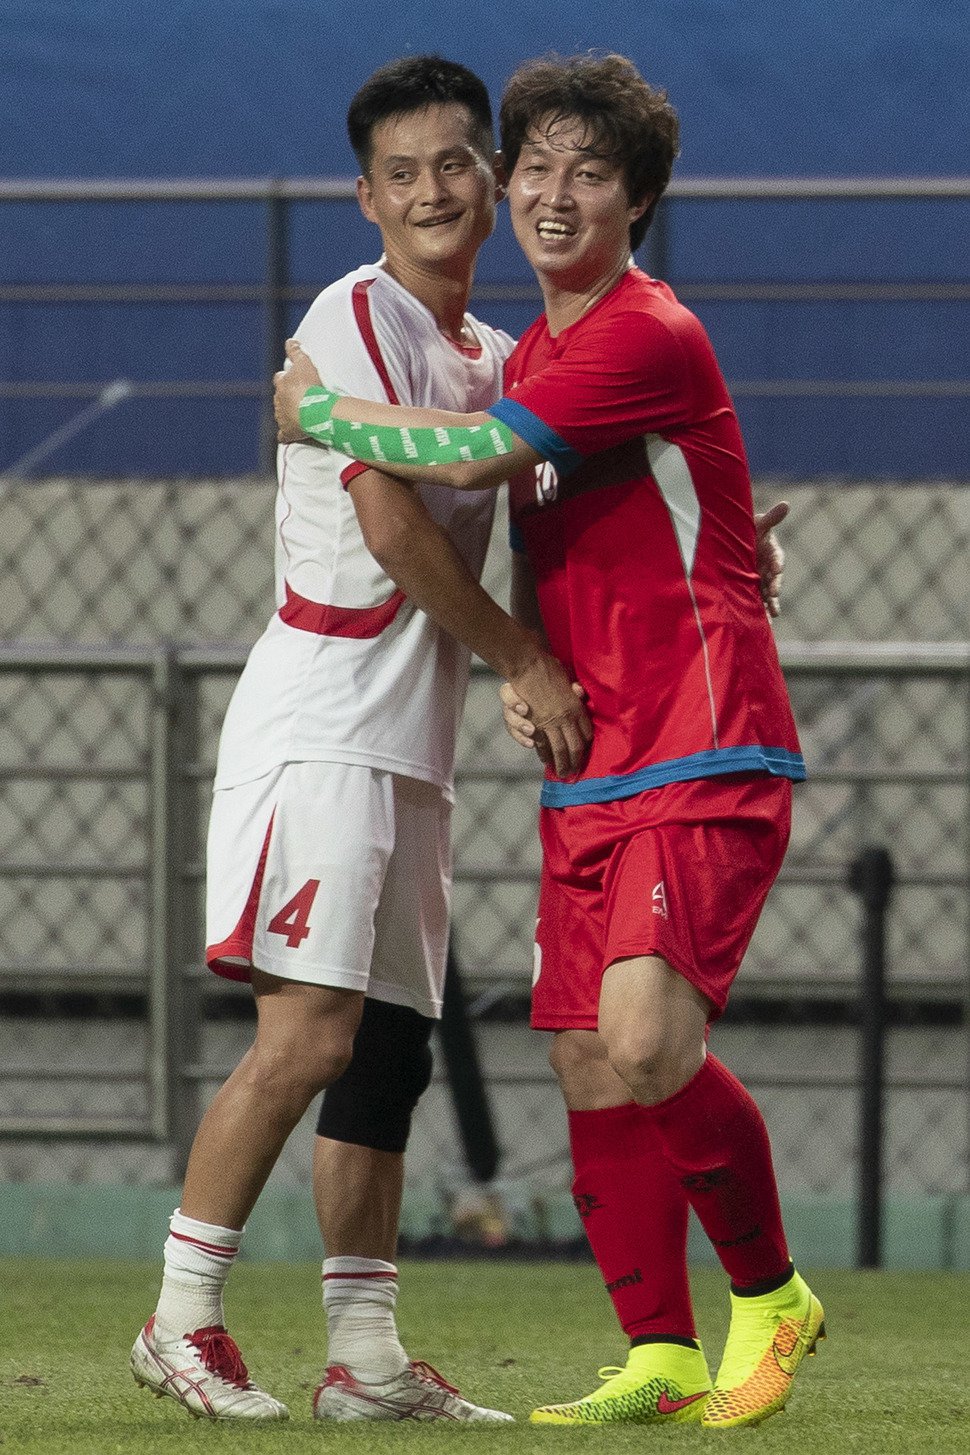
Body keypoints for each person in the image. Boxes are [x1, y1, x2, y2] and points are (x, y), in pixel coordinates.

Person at [273, 51, 822, 1433]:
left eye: (589, 171)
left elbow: (458, 461)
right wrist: (527, 665)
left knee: (641, 1037)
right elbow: (551, 520)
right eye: (533, 168)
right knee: (579, 1051)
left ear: (638, 197)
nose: (551, 194)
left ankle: (772, 1296)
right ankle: (660, 1350)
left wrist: (316, 410)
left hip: (699, 741)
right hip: (594, 749)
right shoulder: (539, 349)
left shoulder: (641, 331)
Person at [129, 54, 595, 1425]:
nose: (435, 189)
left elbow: (572, 483)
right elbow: (391, 527)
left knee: (386, 1054)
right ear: (368, 198)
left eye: (456, 161)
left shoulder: (493, 357)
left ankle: (366, 1361)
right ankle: (182, 1319)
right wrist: (519, 655)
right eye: (403, 173)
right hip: (323, 725)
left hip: (413, 749)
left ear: (493, 176)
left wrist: (716, 540)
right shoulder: (349, 315)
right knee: (309, 1037)